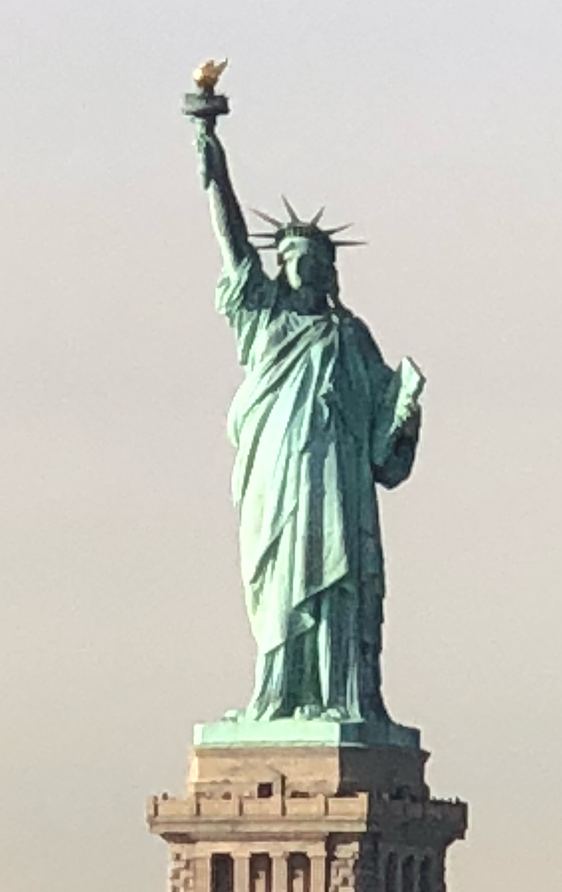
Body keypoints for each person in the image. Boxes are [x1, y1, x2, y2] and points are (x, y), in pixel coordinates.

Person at [192, 116, 423, 723]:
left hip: (339, 477)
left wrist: (404, 414)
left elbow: (383, 447)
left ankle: (342, 698)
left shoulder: (351, 335)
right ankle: (277, 696)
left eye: (311, 258)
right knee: (279, 583)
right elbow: (233, 241)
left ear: (329, 269)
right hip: (276, 471)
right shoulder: (262, 320)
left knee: (339, 581)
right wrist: (213, 161)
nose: (301, 266)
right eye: (290, 257)